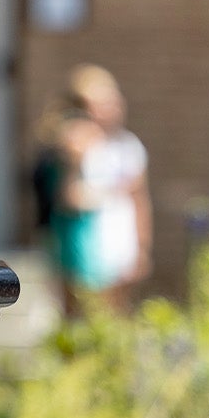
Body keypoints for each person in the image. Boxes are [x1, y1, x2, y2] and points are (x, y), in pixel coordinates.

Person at [51, 66, 152, 315]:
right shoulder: (77, 144)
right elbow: (67, 196)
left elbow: (139, 198)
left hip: (119, 236)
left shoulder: (129, 146)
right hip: (87, 239)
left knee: (117, 310)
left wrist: (143, 246)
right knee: (82, 310)